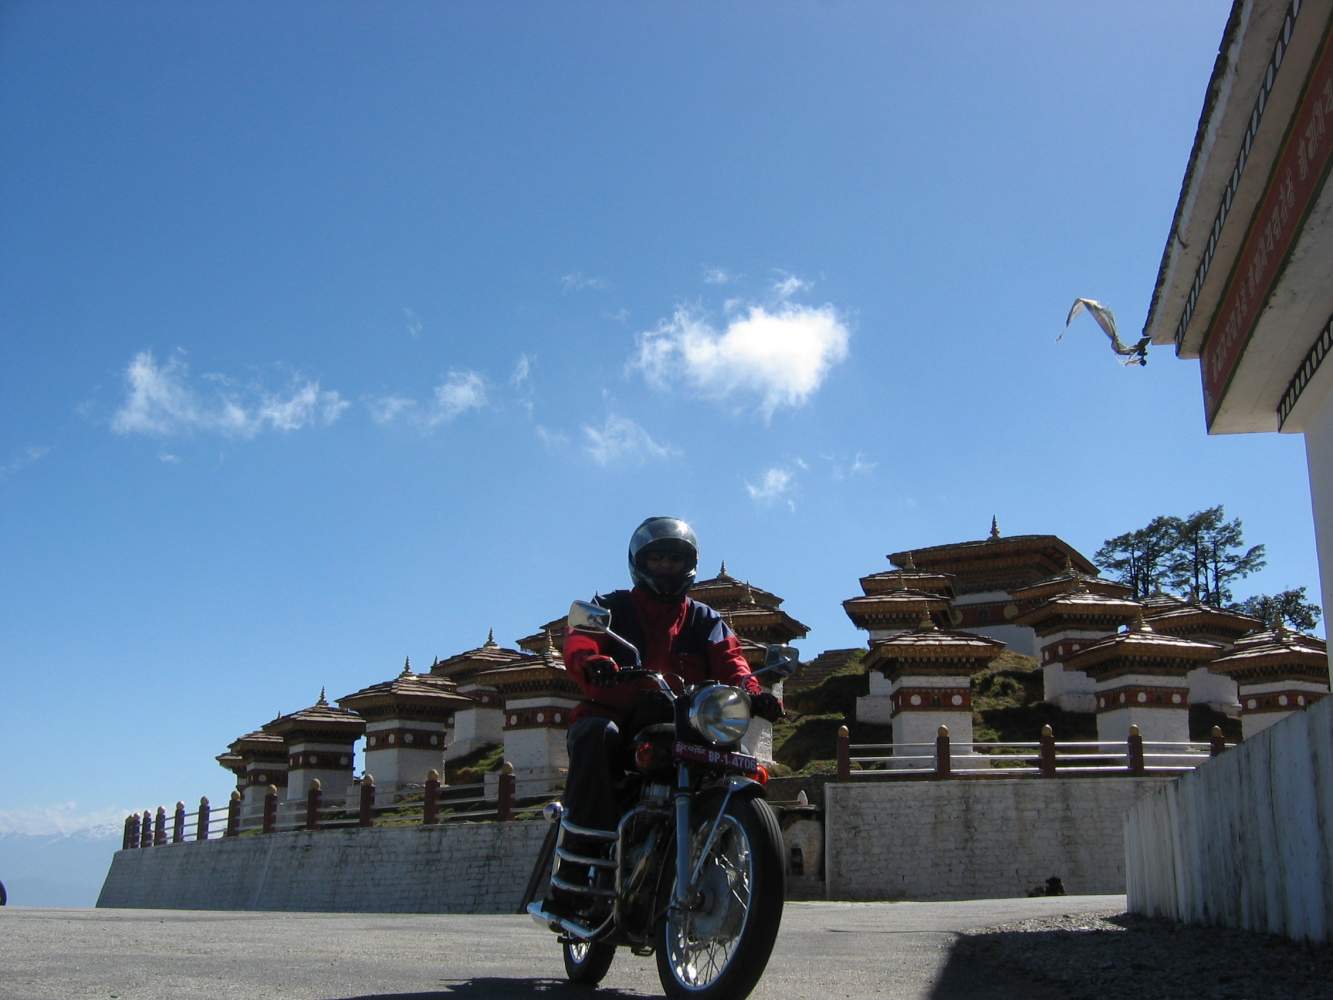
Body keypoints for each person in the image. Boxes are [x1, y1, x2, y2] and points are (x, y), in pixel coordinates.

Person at [546, 516, 782, 916]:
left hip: (686, 719)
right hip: (618, 714)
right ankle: (576, 871)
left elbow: (733, 661)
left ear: (689, 564)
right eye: (658, 559)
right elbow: (580, 639)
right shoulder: (610, 607)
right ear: (640, 562)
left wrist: (754, 692)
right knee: (596, 736)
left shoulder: (707, 620)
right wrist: (594, 661)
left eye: (675, 559)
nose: (667, 567)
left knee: (733, 755)